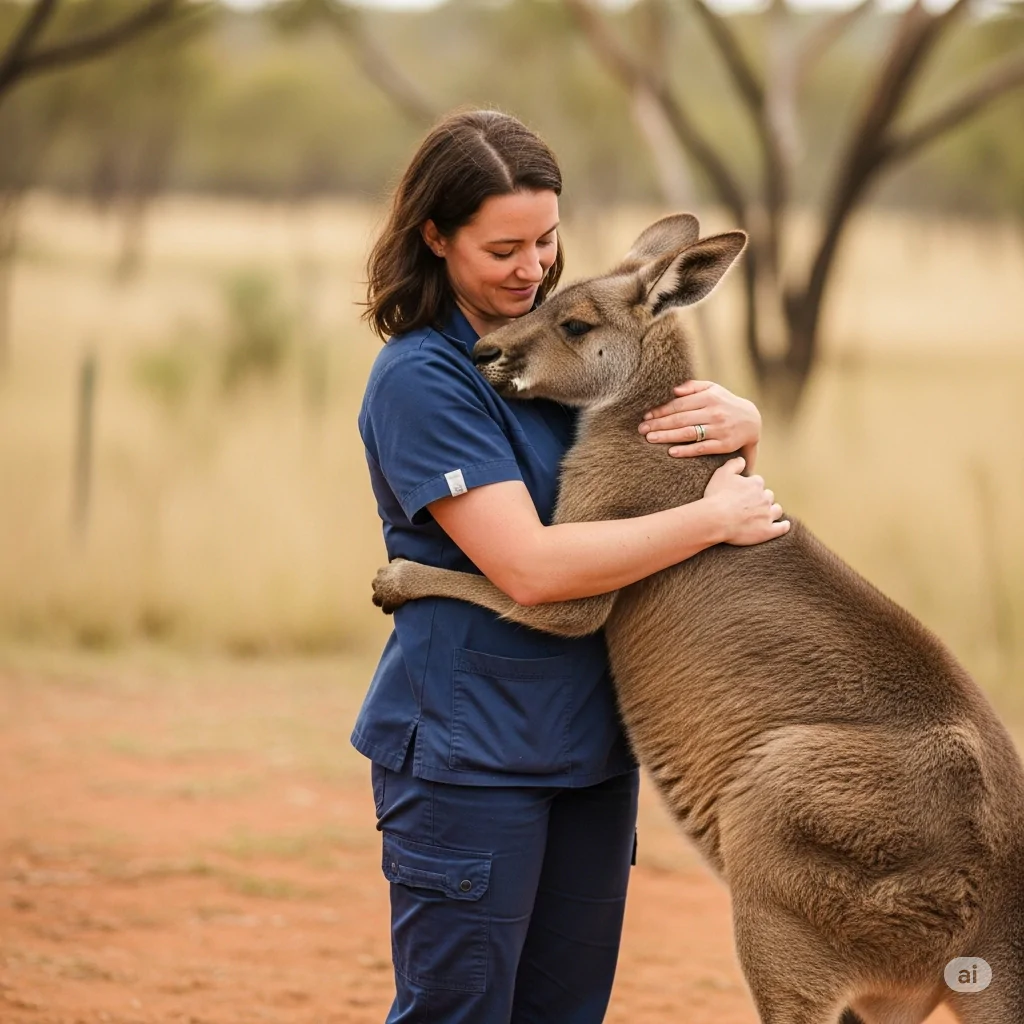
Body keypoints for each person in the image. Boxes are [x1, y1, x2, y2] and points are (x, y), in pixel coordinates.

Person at [354, 109, 788, 1024]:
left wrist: (739, 429)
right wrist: (711, 518)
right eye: (503, 247)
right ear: (435, 237)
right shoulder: (427, 379)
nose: (532, 267)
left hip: (592, 754)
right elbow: (535, 569)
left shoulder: (582, 358)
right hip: (473, 756)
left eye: (546, 240)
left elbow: (679, 503)